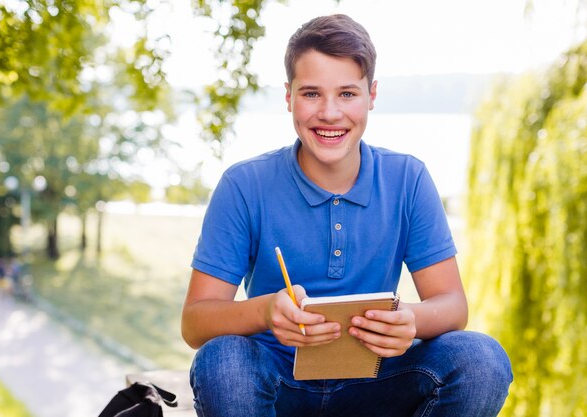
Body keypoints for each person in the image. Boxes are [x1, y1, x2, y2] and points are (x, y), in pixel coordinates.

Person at [182, 14, 512, 417]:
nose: (330, 113)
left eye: (347, 94)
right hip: (273, 384)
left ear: (372, 94)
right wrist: (265, 311)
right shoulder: (244, 185)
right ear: (288, 96)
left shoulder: (408, 179)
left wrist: (411, 320)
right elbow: (196, 323)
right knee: (222, 361)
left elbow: (452, 305)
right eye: (311, 94)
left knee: (481, 359)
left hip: (379, 380)